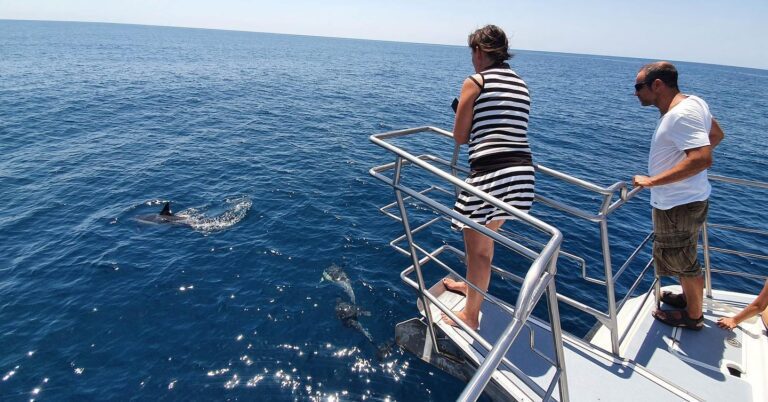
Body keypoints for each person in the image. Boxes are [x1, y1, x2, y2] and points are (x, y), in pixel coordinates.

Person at [442, 25, 535, 330]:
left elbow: (460, 136)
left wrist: (461, 113)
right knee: (486, 245)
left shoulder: (475, 82)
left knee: (478, 251)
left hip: (490, 175)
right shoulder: (520, 83)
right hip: (521, 175)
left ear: (479, 52)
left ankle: (470, 316)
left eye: (472, 52)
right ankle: (472, 291)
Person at [632, 61, 724, 330]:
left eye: (639, 87)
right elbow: (716, 134)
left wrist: (653, 181)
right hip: (688, 199)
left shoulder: (680, 115)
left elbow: (702, 158)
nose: (635, 93)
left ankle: (693, 317)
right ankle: (688, 299)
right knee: (684, 256)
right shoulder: (695, 103)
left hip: (678, 204)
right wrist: (683, 166)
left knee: (684, 262)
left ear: (657, 84)